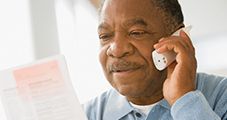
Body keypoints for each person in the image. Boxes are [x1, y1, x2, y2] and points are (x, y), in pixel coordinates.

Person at [82, 0, 227, 119]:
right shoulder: (85, 114)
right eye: (105, 36)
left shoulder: (221, 95)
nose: (117, 50)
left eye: (136, 32)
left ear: (178, 37)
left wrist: (184, 99)